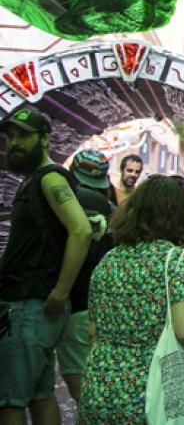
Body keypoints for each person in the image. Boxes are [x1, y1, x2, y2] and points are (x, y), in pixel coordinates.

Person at [78, 175, 184, 424]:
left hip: (98, 388)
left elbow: (92, 332)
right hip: (150, 392)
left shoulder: (108, 260)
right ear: (178, 214)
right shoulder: (177, 259)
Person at [0, 107, 93, 425]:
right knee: (40, 395)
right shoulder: (32, 181)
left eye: (24, 136)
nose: (15, 143)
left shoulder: (49, 178)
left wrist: (60, 292)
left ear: (44, 138)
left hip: (31, 305)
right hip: (31, 306)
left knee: (10, 400)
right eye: (11, 136)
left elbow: (81, 231)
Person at [56, 150, 115, 405]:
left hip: (77, 304)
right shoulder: (112, 209)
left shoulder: (71, 203)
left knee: (81, 388)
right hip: (106, 306)